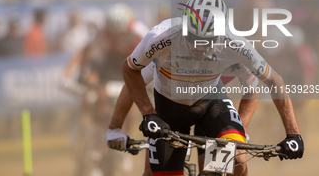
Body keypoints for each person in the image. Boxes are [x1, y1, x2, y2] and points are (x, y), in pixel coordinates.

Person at [121, 0, 303, 176]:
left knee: (237, 159)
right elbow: (129, 69)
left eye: (207, 40)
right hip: (169, 109)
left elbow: (274, 80)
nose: (199, 47)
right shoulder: (162, 36)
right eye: (193, 38)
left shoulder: (234, 43)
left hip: (211, 104)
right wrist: (148, 113)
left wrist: (293, 134)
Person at [106, 61, 259, 176]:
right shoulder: (172, 53)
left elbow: (253, 88)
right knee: (151, 172)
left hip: (209, 109)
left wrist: (242, 129)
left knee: (218, 168)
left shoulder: (233, 51)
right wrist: (115, 128)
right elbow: (131, 83)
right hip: (172, 111)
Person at [61, 4, 149, 176]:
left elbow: (156, 51)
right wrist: (80, 73)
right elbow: (87, 50)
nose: (116, 36)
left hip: (132, 62)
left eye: (119, 33)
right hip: (112, 62)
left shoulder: (140, 31)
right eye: (113, 33)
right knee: (99, 92)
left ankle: (126, 142)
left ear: (127, 27)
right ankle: (98, 132)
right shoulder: (102, 30)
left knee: (130, 102)